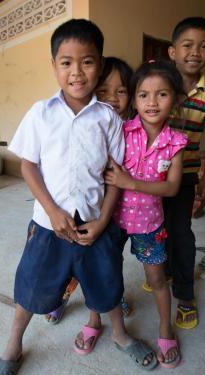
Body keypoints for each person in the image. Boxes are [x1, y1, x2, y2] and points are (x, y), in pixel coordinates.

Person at [0, 19, 157, 375]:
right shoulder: (41, 113)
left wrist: (103, 221)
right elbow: (28, 167)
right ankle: (12, 346)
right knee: (31, 286)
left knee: (107, 283)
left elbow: (114, 178)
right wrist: (52, 210)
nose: (77, 72)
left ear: (99, 64)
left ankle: (120, 335)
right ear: (54, 66)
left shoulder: (108, 119)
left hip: (95, 223)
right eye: (66, 62)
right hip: (49, 225)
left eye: (88, 61)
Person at [103, 60, 188, 368]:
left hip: (150, 226)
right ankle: (94, 318)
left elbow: (173, 188)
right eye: (143, 95)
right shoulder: (122, 131)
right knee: (106, 271)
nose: (152, 102)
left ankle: (166, 329)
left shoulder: (176, 143)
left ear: (175, 99)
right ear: (134, 99)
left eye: (162, 94)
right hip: (112, 220)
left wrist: (131, 182)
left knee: (156, 278)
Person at [45, 56, 134, 325]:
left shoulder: (132, 129)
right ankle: (61, 295)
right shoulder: (89, 126)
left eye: (121, 91)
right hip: (89, 207)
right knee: (73, 258)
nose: (113, 99)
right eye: (104, 91)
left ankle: (110, 295)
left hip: (123, 211)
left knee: (109, 258)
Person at [164, 17, 205, 330]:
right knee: (154, 231)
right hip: (152, 178)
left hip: (187, 175)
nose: (195, 52)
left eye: (204, 46)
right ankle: (163, 273)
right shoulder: (160, 86)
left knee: (181, 233)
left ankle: (185, 294)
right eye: (187, 45)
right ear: (173, 51)